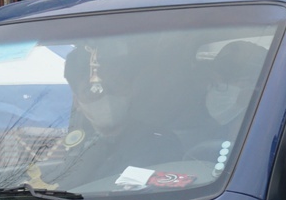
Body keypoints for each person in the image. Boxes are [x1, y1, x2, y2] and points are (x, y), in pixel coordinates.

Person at [35, 43, 181, 189]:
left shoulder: (159, 144)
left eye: (116, 85)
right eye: (92, 90)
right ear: (77, 101)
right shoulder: (75, 146)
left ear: (130, 91)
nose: (106, 97)